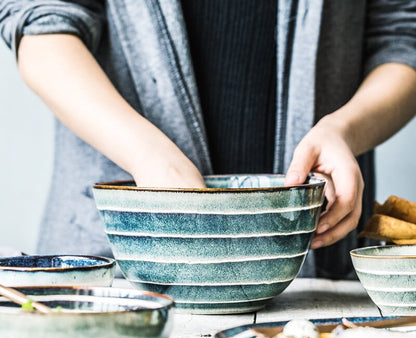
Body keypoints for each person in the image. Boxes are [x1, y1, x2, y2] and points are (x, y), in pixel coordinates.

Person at [1, 0, 415, 278]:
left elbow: (403, 37)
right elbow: (40, 23)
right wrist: (147, 155)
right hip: (115, 268)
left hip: (314, 273)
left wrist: (344, 129)